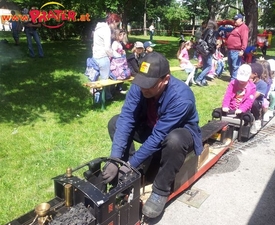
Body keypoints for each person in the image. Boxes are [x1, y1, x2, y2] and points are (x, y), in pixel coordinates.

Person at [103, 52, 203, 219]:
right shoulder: (140, 86)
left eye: (149, 85)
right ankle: (130, 174)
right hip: (152, 127)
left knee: (174, 140)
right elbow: (127, 117)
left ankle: (160, 191)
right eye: (142, 82)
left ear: (165, 79)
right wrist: (115, 159)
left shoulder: (181, 98)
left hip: (179, 133)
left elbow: (159, 136)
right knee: (116, 122)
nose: (143, 88)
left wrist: (131, 164)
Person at [92, 13, 121, 100]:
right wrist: (114, 56)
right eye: (117, 24)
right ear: (113, 21)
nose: (116, 27)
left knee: (98, 81)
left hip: (95, 57)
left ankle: (98, 98)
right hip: (103, 57)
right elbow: (107, 47)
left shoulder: (98, 28)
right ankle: (105, 99)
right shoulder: (106, 30)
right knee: (105, 81)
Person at [195, 20, 218, 86]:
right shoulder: (211, 31)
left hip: (202, 50)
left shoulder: (205, 30)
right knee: (209, 66)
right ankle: (199, 79)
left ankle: (203, 81)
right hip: (207, 51)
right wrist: (212, 49)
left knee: (205, 66)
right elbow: (210, 42)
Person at [226, 14, 249, 80]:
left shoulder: (244, 27)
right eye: (234, 19)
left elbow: (245, 39)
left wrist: (242, 50)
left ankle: (233, 80)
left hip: (236, 50)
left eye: (236, 19)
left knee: (235, 66)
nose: (234, 21)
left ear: (241, 19)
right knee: (230, 65)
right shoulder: (236, 27)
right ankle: (232, 78)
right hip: (230, 50)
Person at [249, 63, 268, 133]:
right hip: (246, 99)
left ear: (255, 74)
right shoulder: (246, 81)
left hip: (256, 102)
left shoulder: (262, 84)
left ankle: (257, 119)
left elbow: (253, 96)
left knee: (254, 103)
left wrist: (250, 84)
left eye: (249, 72)